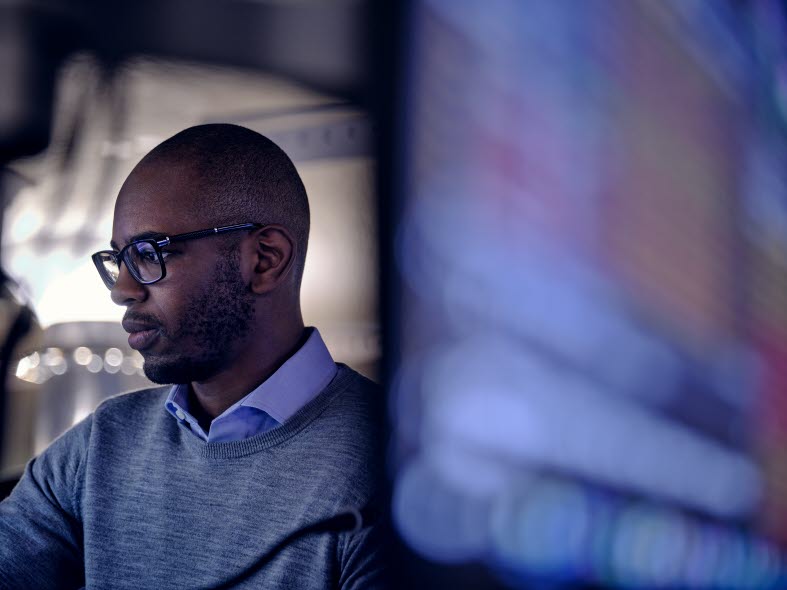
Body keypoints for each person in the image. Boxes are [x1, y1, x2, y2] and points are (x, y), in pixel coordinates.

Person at [0, 124, 387, 589]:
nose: (122, 291)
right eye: (118, 259)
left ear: (264, 259)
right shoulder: (99, 447)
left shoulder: (390, 468)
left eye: (149, 252)